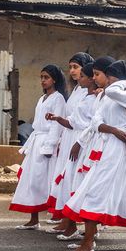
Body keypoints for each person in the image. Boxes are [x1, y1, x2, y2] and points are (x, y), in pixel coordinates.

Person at [62, 60, 126, 251]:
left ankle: (88, 244)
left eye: (108, 76)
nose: (102, 79)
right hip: (105, 147)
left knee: (94, 192)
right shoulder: (107, 95)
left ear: (119, 77)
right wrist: (111, 129)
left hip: (118, 151)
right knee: (119, 196)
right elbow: (96, 121)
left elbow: (113, 92)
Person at [9, 64, 67, 229]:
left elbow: (57, 125)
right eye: (41, 77)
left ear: (54, 79)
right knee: (31, 180)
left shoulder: (58, 99)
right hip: (36, 142)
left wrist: (50, 146)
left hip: (47, 144)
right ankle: (33, 219)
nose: (43, 80)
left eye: (46, 77)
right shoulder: (42, 99)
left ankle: (60, 218)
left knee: (47, 181)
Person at [46, 62, 97, 240]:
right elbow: (73, 121)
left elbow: (91, 125)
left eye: (82, 73)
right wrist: (57, 119)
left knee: (78, 183)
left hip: (83, 143)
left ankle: (80, 228)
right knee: (69, 181)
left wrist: (79, 143)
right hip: (73, 139)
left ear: (92, 78)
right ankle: (71, 223)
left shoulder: (95, 98)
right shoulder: (81, 94)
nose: (76, 75)